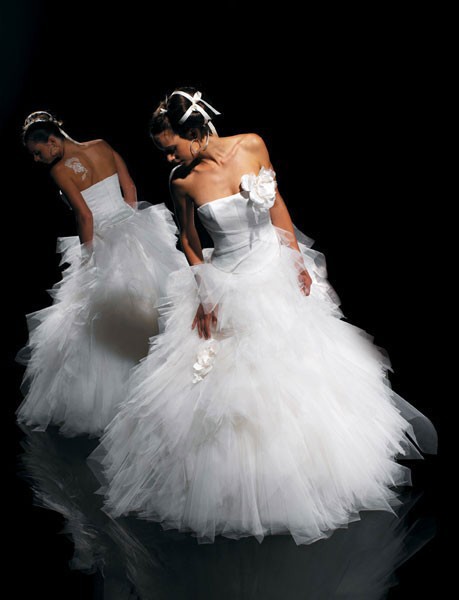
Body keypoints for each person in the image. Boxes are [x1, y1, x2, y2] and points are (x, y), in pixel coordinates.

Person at [91, 88, 437, 544]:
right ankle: (237, 489)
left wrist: (296, 260)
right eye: (164, 152)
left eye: (171, 148)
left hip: (272, 268)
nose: (168, 158)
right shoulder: (181, 181)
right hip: (227, 281)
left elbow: (276, 204)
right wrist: (206, 292)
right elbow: (190, 242)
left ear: (194, 133)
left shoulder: (251, 145)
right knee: (228, 391)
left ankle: (311, 475)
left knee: (301, 373)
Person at [17, 111, 186, 437]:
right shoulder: (102, 145)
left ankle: (120, 402)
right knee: (152, 303)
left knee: (101, 321)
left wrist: (89, 256)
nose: (38, 160)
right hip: (135, 228)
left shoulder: (60, 170)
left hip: (104, 240)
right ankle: (158, 393)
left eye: (38, 153)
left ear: (52, 141)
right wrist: (130, 223)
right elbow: (130, 188)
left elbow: (84, 217)